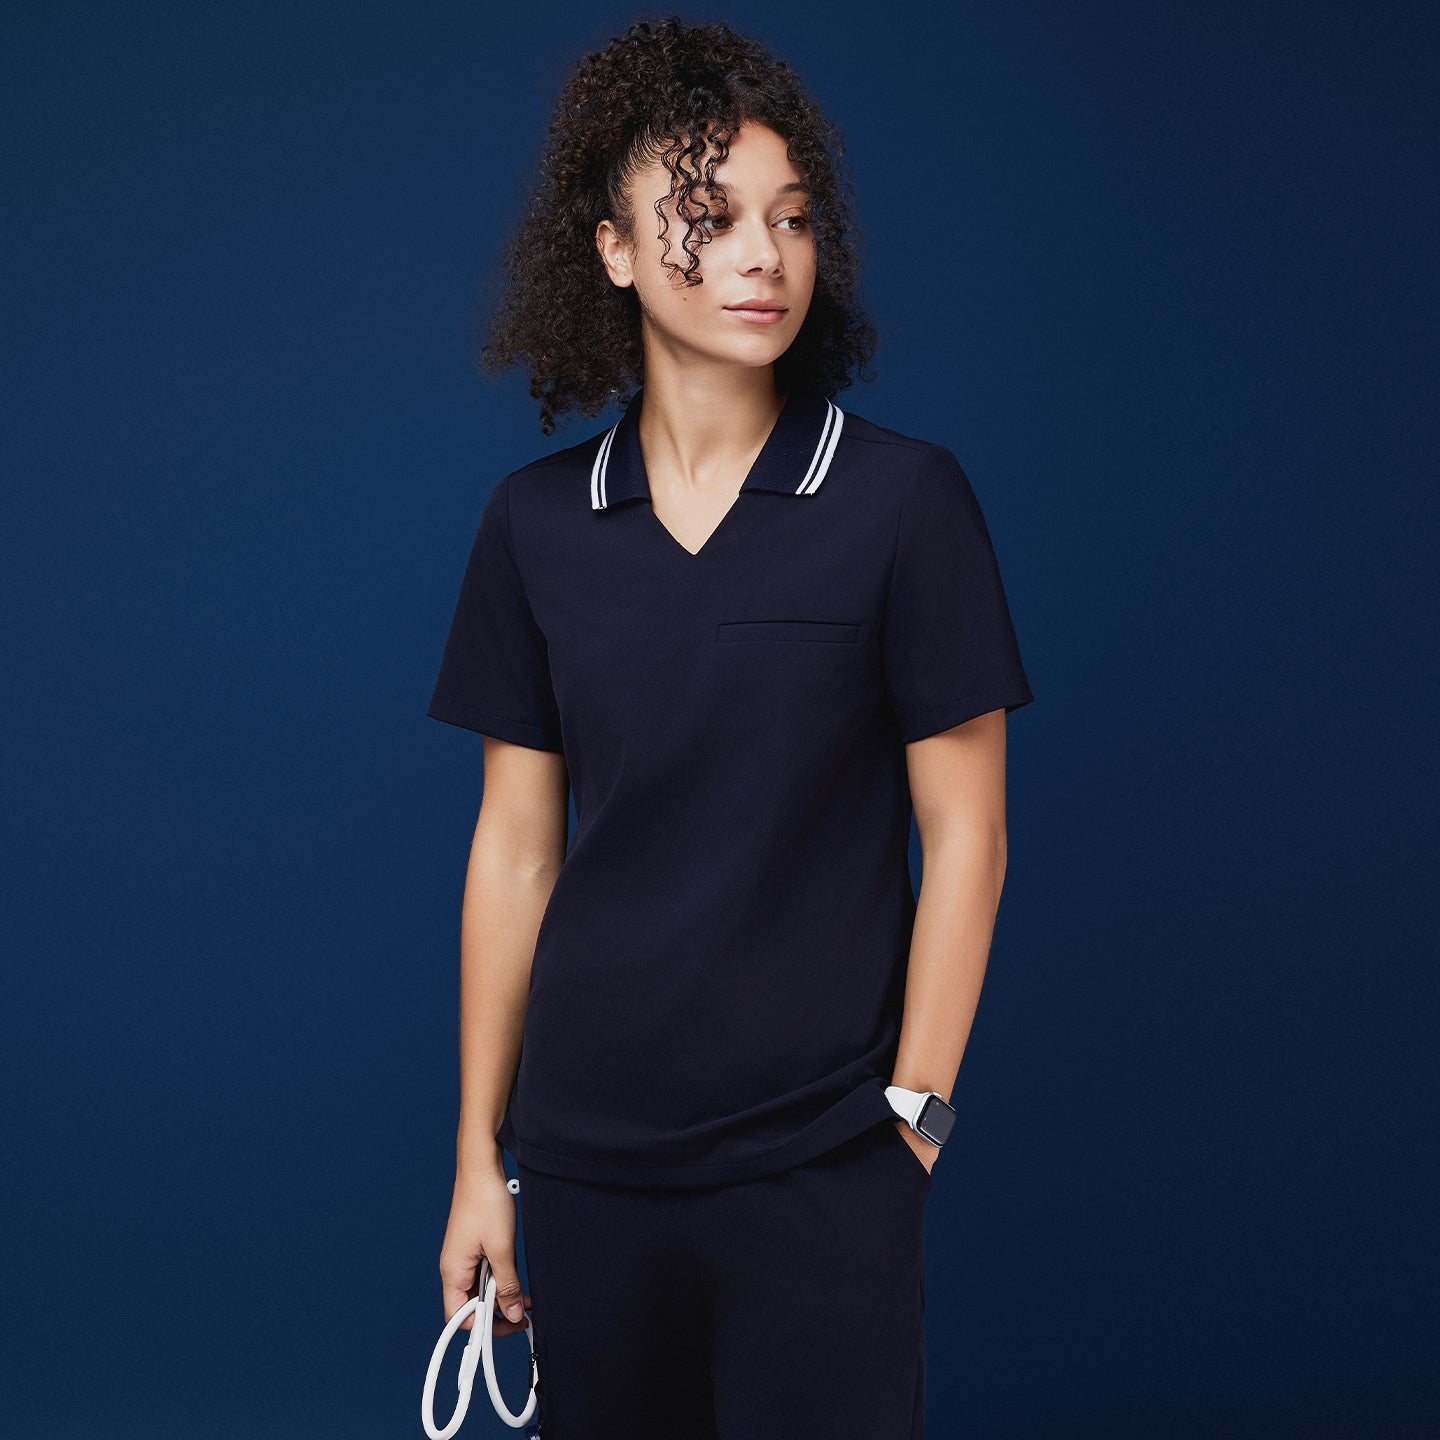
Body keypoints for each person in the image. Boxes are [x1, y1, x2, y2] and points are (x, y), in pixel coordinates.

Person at [427, 17, 1035, 1438]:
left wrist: (916, 1125)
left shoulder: (903, 504)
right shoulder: (535, 528)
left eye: (792, 218)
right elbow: (515, 853)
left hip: (824, 1164)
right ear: (616, 251)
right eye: (707, 219)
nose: (764, 255)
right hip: (585, 1164)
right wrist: (478, 1155)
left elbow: (970, 836)